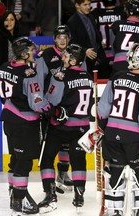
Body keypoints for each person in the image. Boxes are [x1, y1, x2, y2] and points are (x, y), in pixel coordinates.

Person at [97, 43, 139, 216]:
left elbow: (103, 109)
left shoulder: (115, 77)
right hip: (134, 139)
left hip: (112, 136)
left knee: (115, 175)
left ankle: (113, 212)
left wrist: (106, 129)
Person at [0, 36, 53, 215]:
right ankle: (20, 201)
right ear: (24, 53)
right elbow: (37, 103)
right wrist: (50, 109)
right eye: (31, 50)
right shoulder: (29, 72)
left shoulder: (4, 67)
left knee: (15, 159)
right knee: (23, 163)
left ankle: (14, 194)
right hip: (24, 123)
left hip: (9, 118)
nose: (34, 52)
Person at [38, 44, 93, 213]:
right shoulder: (88, 76)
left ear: (74, 60)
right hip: (82, 127)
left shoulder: (61, 76)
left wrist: (50, 110)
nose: (63, 57)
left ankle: (50, 195)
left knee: (46, 159)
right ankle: (79, 195)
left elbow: (50, 101)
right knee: (78, 161)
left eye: (66, 56)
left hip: (60, 127)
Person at [36, 25, 74, 194]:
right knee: (52, 142)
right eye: (60, 37)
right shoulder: (47, 55)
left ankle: (63, 174)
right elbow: (38, 81)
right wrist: (43, 104)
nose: (63, 40)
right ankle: (49, 182)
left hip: (68, 103)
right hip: (52, 105)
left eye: (65, 37)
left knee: (67, 142)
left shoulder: (73, 54)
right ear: (54, 39)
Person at [67, 0, 106, 76]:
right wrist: (85, 50)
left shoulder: (91, 17)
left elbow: (95, 36)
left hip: (99, 59)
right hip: (85, 62)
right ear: (77, 5)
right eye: (85, 5)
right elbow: (72, 43)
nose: (88, 7)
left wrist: (99, 44)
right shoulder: (72, 22)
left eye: (89, 4)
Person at [91, 0, 127, 78]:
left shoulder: (95, 13)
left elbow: (91, 32)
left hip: (102, 53)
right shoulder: (122, 12)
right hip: (119, 53)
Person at [0, 10, 19, 81]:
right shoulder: (0, 37)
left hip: (18, 74)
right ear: (3, 22)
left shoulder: (19, 36)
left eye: (12, 20)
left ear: (15, 21)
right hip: (4, 75)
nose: (9, 22)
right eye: (6, 20)